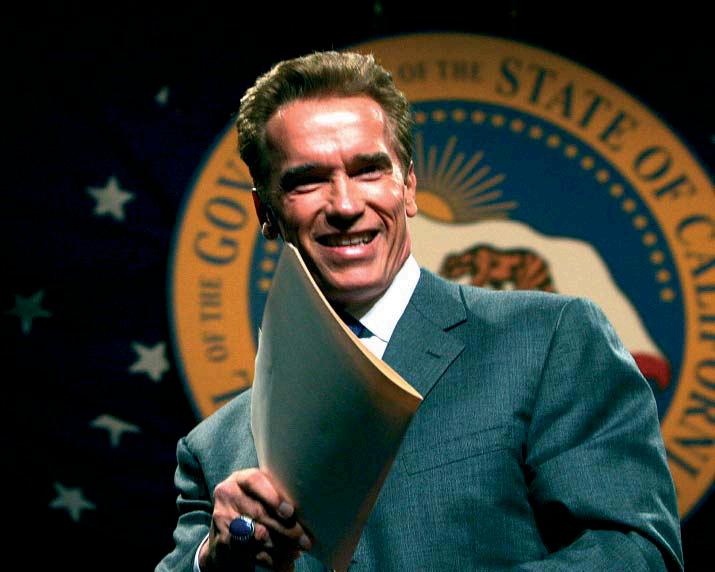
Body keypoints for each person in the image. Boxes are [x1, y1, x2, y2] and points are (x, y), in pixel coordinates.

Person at [157, 51, 683, 571]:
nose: (345, 205)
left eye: (368, 171)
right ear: (266, 211)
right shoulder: (215, 448)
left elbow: (637, 554)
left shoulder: (548, 341)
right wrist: (216, 558)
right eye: (307, 180)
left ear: (408, 186)